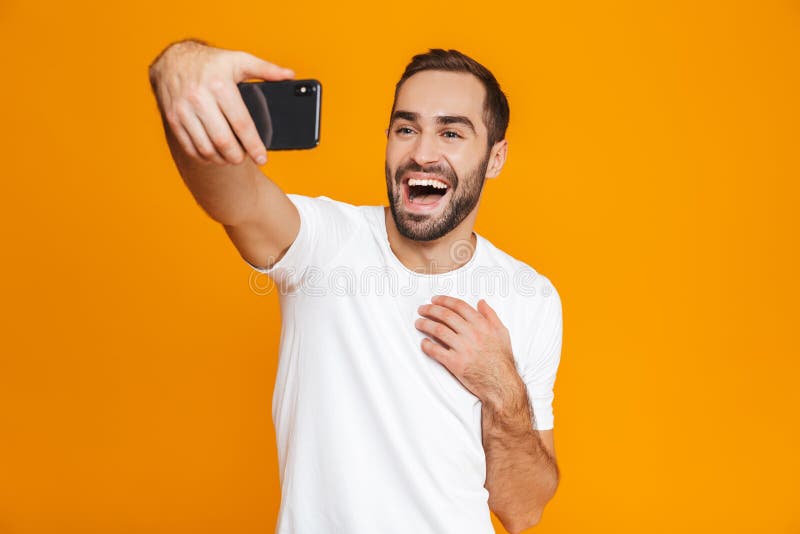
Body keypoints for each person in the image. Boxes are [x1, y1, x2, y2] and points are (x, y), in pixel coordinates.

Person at [148, 39, 563, 534]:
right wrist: (179, 71)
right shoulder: (325, 244)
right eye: (406, 128)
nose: (422, 153)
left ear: (495, 158)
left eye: (451, 132)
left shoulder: (530, 296)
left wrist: (502, 386)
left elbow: (524, 510)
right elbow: (233, 198)